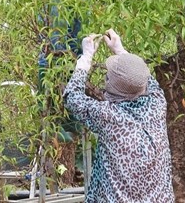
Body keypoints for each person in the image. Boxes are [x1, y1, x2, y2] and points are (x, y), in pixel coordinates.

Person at [64, 29, 175, 202]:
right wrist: (120, 50)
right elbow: (144, 78)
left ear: (111, 85)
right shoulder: (158, 104)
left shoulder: (109, 116)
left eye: (108, 77)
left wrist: (86, 57)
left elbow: (72, 97)